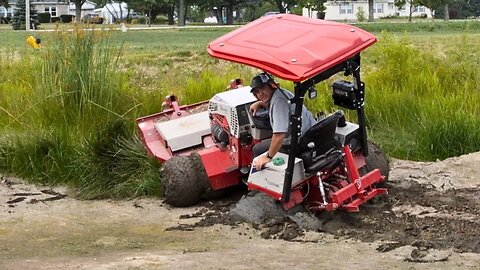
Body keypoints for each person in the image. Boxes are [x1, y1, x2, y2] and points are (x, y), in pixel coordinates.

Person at [249, 73, 317, 170]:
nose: (260, 93)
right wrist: (261, 103)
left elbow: (279, 135)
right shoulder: (281, 93)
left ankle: (263, 180)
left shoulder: (278, 101)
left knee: (257, 149)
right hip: (310, 134)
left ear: (271, 85)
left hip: (298, 143)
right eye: (257, 92)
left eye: (263, 88)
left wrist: (268, 157)